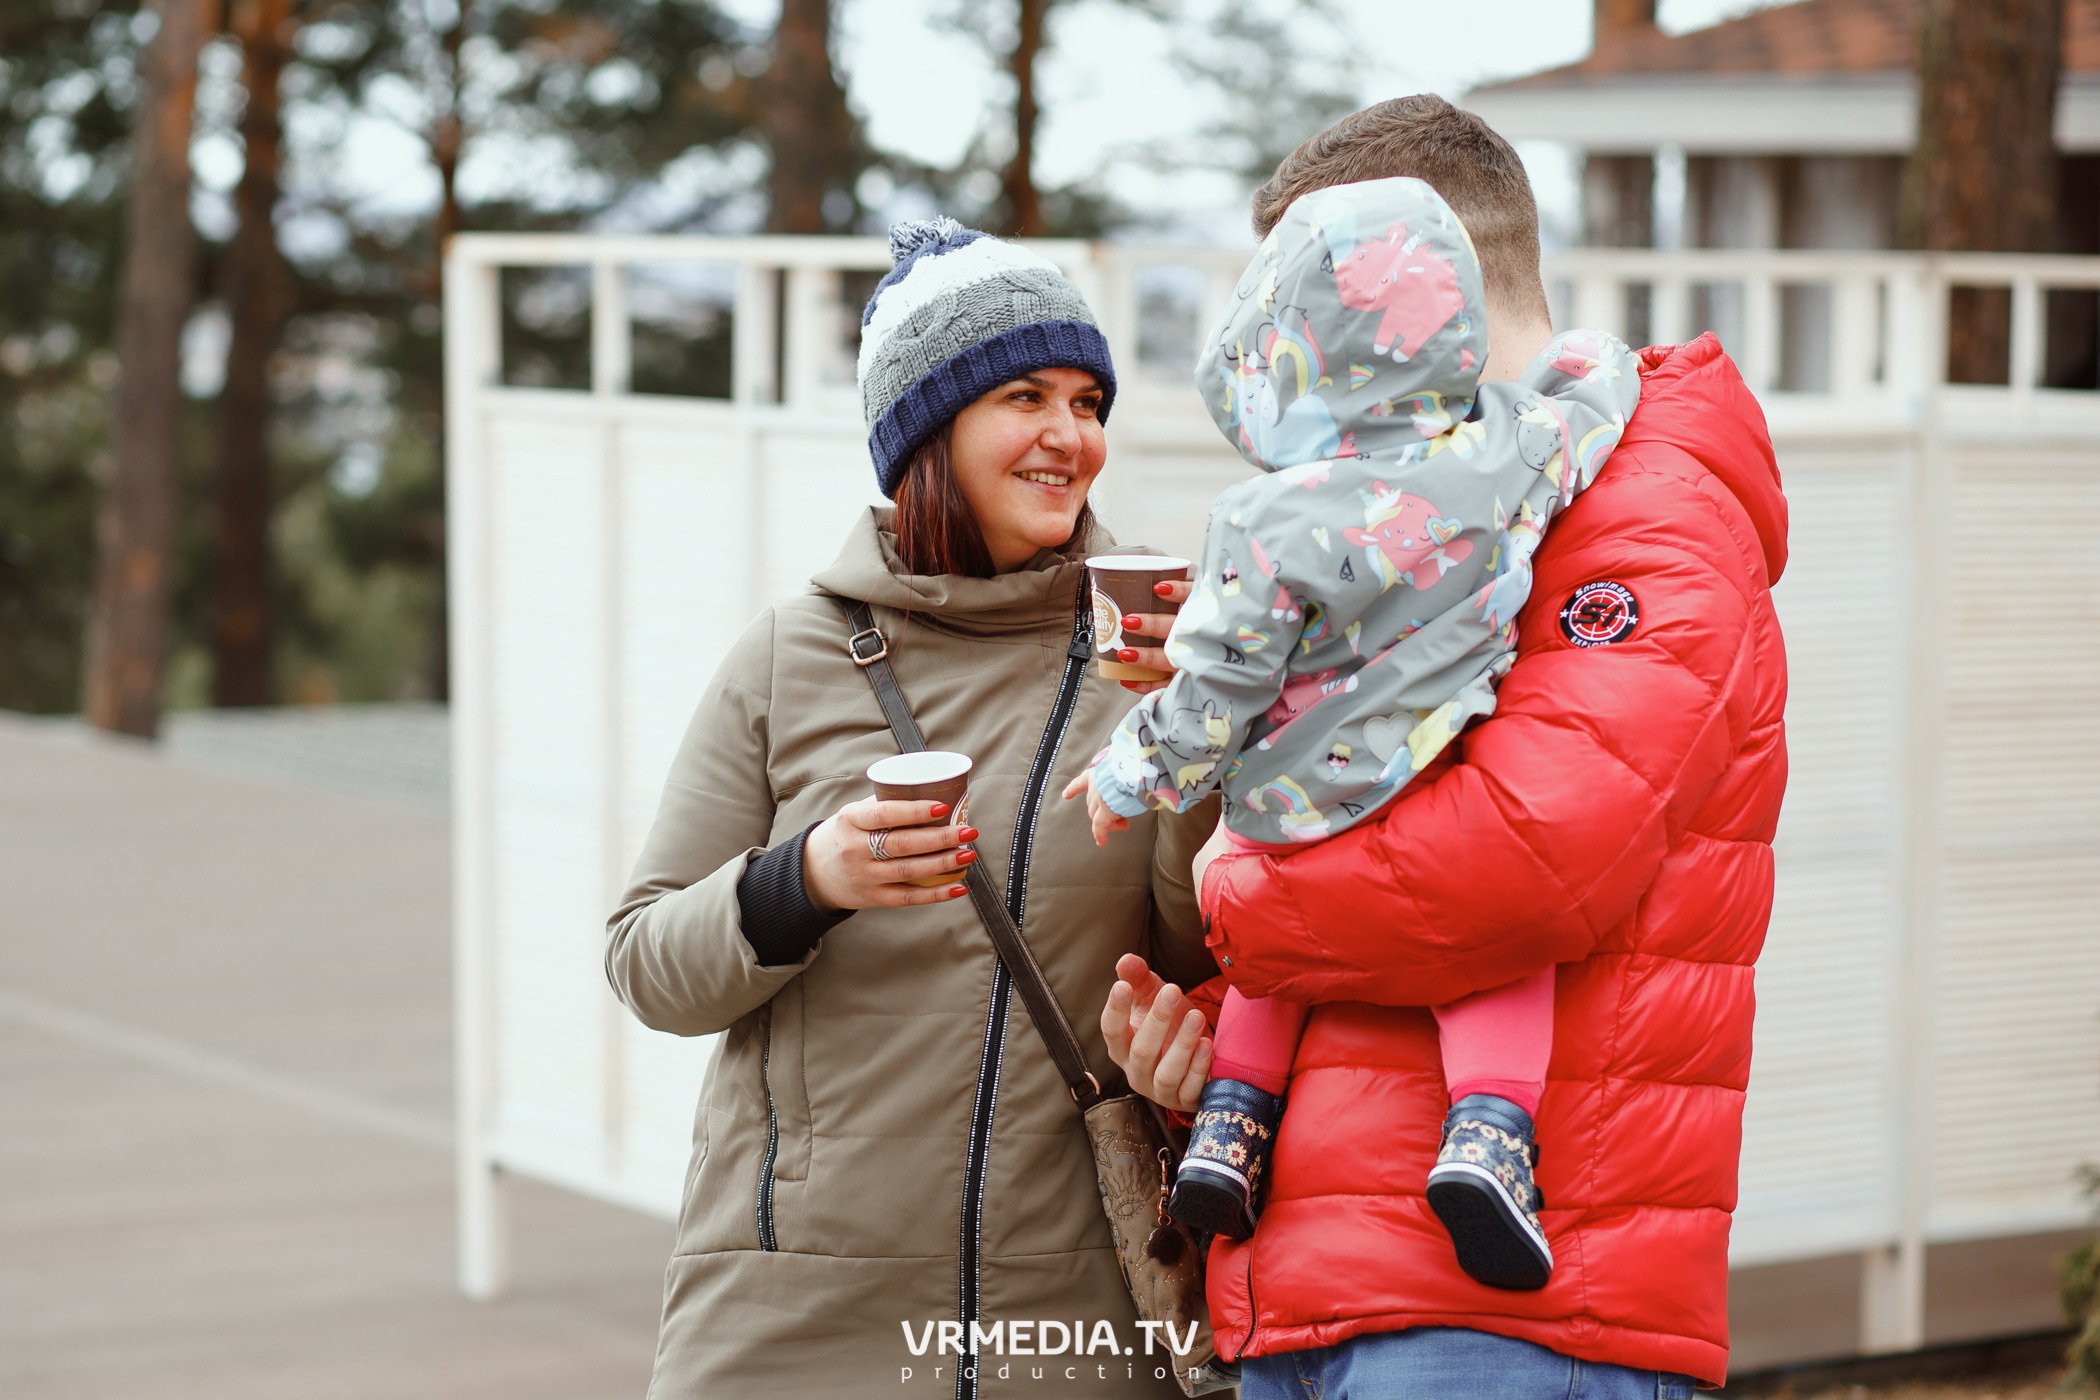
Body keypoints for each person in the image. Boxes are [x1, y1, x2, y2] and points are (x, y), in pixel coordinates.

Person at [1101, 95, 1787, 1397]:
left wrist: (1234, 892)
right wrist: (1203, 1042)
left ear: (1418, 293)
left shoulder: (1646, 519)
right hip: (1317, 1293)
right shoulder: (1416, 505)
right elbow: (1379, 857)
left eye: (1311, 299)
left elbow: (1525, 865)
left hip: (1506, 1325)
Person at [605, 217, 1218, 1399]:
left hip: (1080, 1319)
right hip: (795, 1311)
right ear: (928, 428)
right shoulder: (790, 655)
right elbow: (645, 962)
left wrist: (1195, 734)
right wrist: (807, 879)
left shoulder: (1162, 646)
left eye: (1089, 400)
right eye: (1025, 395)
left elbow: (1204, 951)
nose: (1070, 435)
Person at [1066, 174, 1640, 1297]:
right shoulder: (1507, 452)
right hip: (1438, 767)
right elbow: (1590, 403)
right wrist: (1598, 356)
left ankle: (1232, 1126)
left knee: (1275, 951)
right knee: (1494, 957)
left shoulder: (1264, 518)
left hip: (1292, 801)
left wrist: (1131, 770)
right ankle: (1487, 1135)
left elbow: (1214, 686)